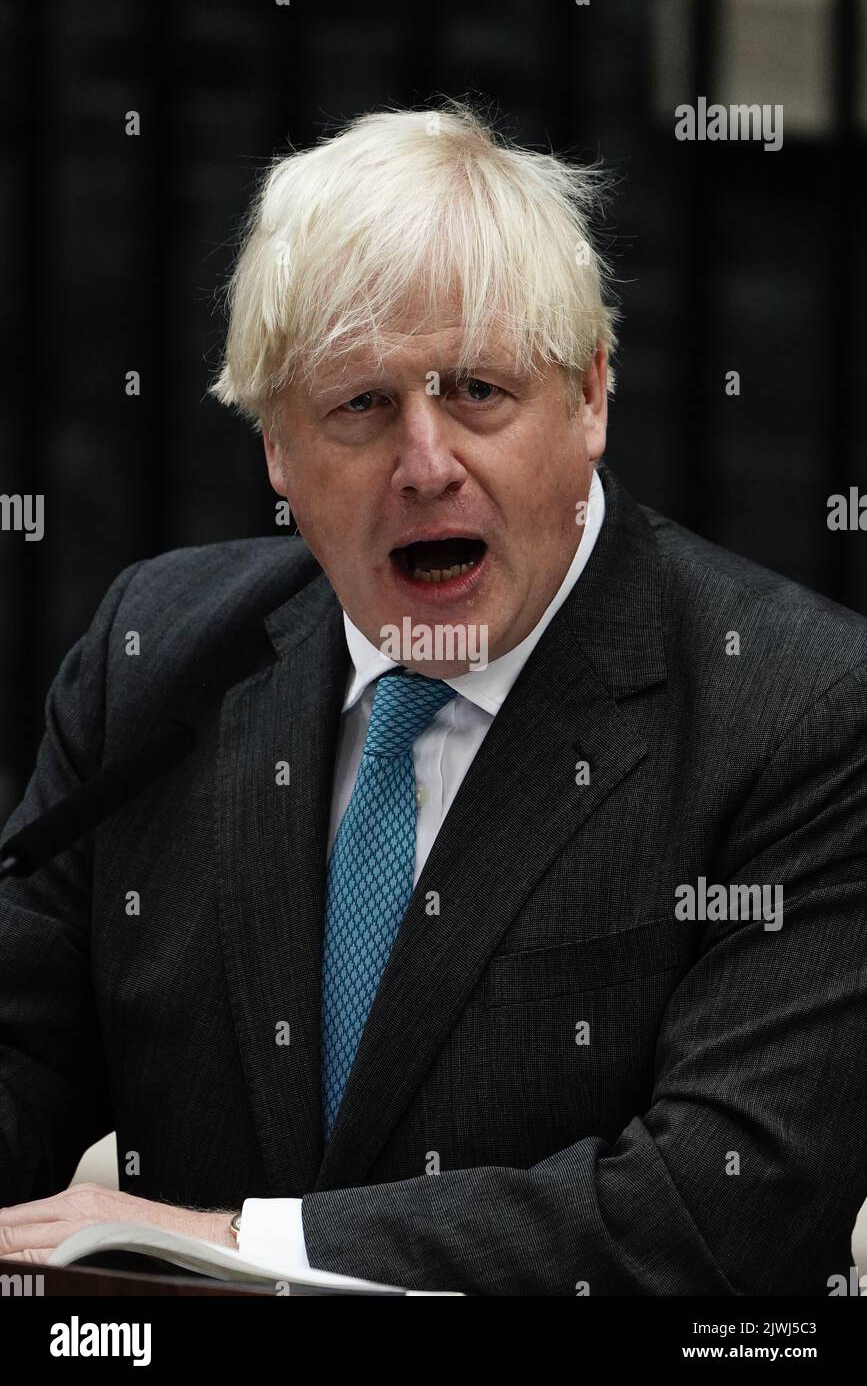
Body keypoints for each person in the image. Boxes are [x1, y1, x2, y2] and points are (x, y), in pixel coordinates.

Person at [1, 101, 865, 1296]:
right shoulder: (152, 660)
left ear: (593, 396)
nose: (425, 462)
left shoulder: (798, 708)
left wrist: (246, 1240)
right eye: (359, 405)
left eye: (476, 391)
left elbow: (726, 1203)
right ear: (276, 453)